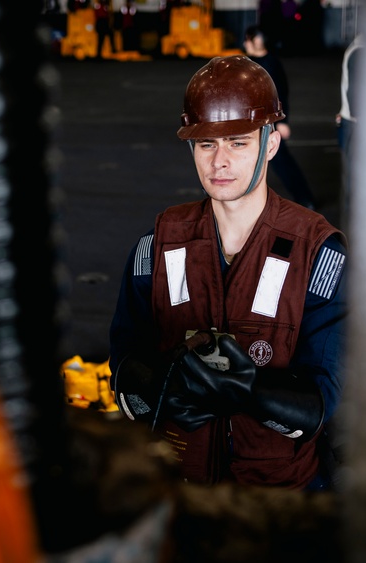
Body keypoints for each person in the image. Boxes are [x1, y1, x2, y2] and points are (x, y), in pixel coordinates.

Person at [108, 55, 348, 491]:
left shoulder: (318, 254)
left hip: (277, 500)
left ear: (270, 145)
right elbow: (124, 360)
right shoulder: (158, 245)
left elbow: (324, 403)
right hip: (180, 487)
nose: (219, 161)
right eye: (206, 144)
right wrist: (163, 390)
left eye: (238, 142)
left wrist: (249, 392)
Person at [243, 25, 318, 210]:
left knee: (282, 162)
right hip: (251, 122)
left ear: (257, 41)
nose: (245, 43)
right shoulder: (247, 63)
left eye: (248, 39)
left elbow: (281, 94)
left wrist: (282, 122)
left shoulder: (271, 64)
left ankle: (306, 199)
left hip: (269, 123)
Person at [336, 33, 362, 228]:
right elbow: (356, 98)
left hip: (349, 122)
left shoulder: (358, 46)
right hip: (356, 125)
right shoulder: (361, 51)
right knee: (355, 182)